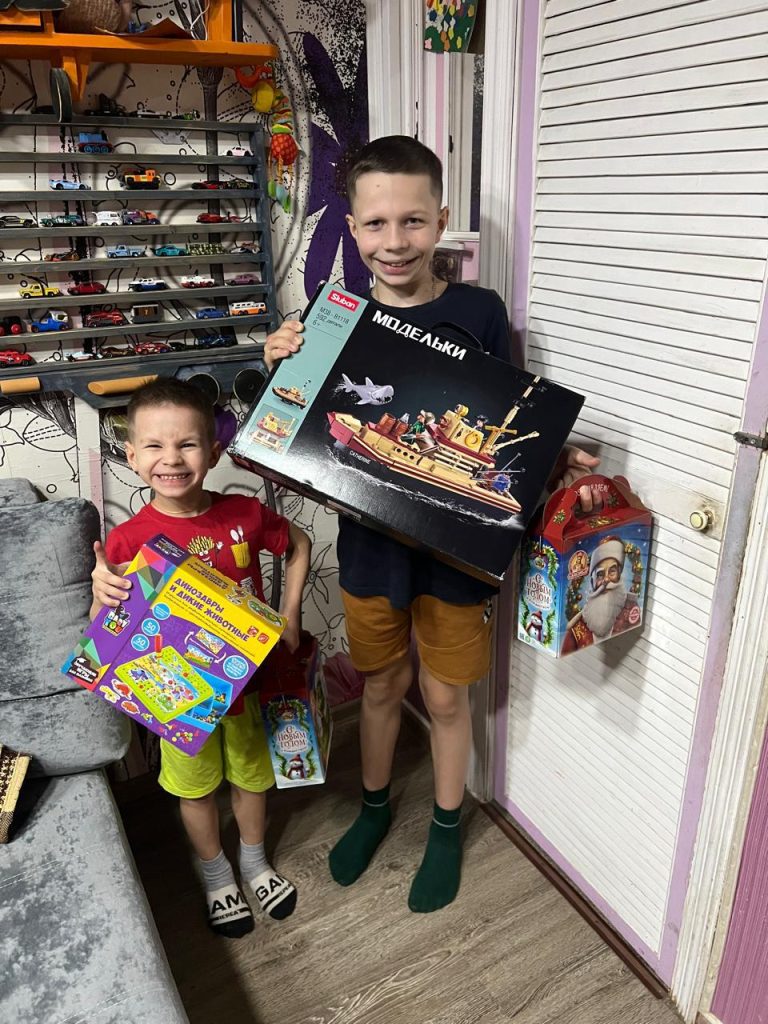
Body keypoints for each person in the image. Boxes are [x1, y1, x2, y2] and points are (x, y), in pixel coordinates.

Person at [264, 135, 600, 913]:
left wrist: (555, 456)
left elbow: (508, 424)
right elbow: (292, 426)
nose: (395, 241)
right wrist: (282, 361)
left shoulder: (480, 313)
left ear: (441, 221)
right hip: (371, 547)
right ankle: (374, 808)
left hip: (456, 553)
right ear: (353, 227)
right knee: (382, 684)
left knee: (446, 699)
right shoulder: (331, 315)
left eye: (413, 221)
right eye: (376, 223)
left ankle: (446, 827)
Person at [90, 378, 311, 938]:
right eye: (155, 446)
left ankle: (254, 862)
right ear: (131, 456)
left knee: (253, 777)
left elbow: (299, 545)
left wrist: (290, 613)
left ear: (213, 452)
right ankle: (217, 875)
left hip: (248, 684)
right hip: (177, 697)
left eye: (187, 444)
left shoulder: (246, 513)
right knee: (194, 787)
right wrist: (101, 592)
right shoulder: (127, 541)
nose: (171, 459)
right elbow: (107, 631)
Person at [561, 536, 639, 654]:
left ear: (619, 575)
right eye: (600, 574)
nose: (606, 580)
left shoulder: (632, 610)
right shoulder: (576, 630)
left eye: (612, 571)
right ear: (592, 581)